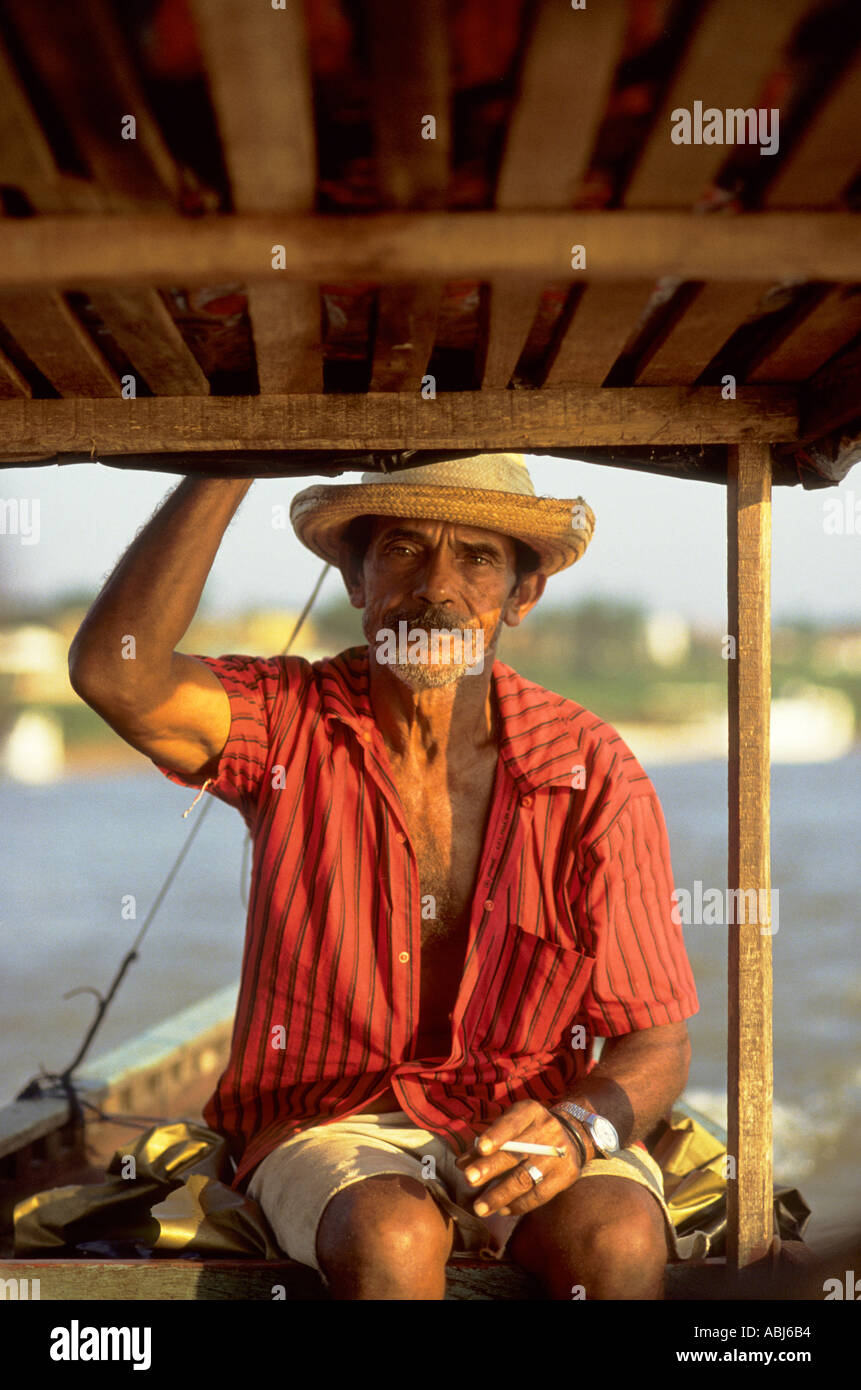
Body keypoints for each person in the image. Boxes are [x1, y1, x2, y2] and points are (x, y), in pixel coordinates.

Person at [68, 452, 699, 1300]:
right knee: (391, 1234)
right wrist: (230, 459)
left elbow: (653, 1039)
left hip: (531, 1120)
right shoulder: (291, 722)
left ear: (521, 595)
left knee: (617, 1239)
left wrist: (580, 1128)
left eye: (477, 556)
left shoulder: (591, 770)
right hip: (325, 1123)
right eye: (403, 549)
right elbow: (118, 673)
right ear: (356, 581)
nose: (436, 587)